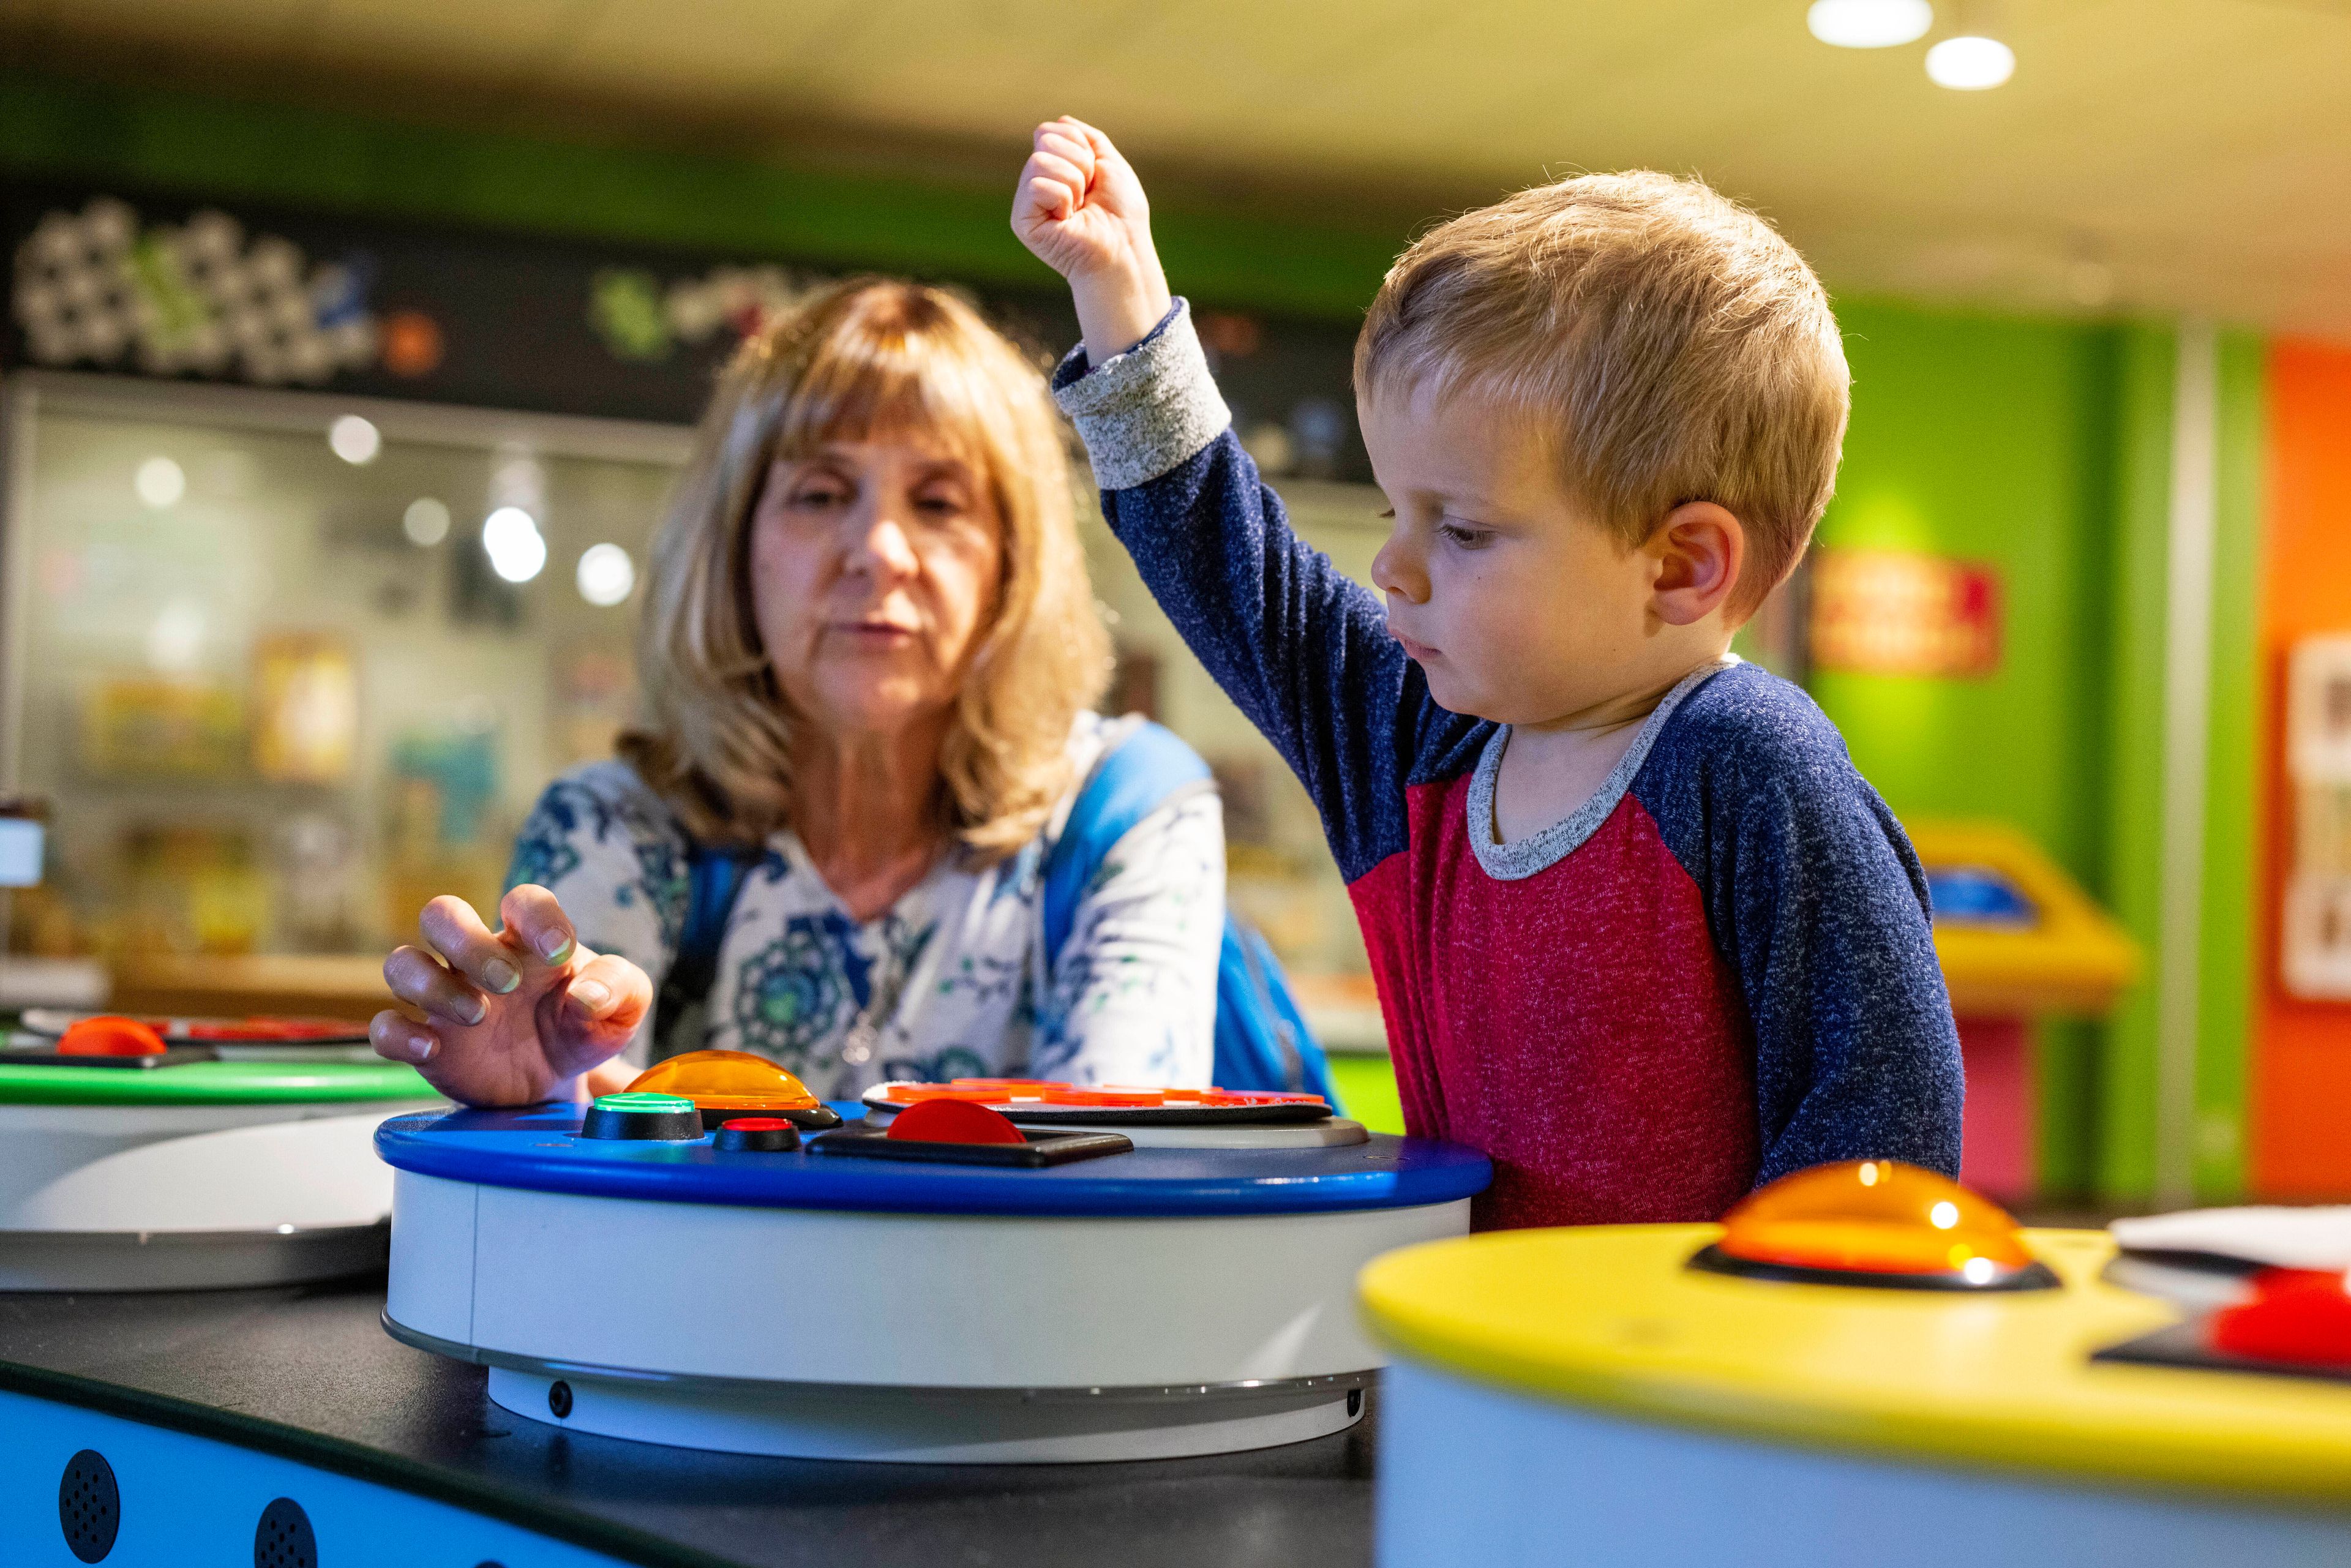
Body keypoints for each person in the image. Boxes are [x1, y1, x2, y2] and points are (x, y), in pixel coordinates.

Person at [1011, 118, 1963, 1229]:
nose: (1391, 566)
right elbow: (1234, 567)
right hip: (1464, 1367)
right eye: (1391, 511)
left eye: (1461, 530)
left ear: (1682, 564)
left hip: (1687, 1385)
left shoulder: (1752, 767)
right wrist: (1124, 306)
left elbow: (1882, 1126)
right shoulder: (1417, 739)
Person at [371, 279, 1225, 1106]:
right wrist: (540, 1101)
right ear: (734, 551)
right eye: (820, 494)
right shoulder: (614, 825)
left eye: (938, 500)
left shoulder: (1126, 809)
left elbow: (1128, 1170)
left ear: (1015, 565)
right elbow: (562, 1160)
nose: (880, 550)